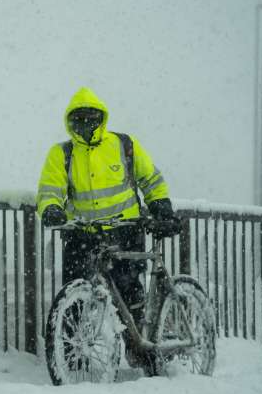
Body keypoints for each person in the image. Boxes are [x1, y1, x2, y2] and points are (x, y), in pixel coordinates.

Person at [35, 87, 181, 366]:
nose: (86, 125)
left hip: (126, 231)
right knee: (76, 295)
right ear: (71, 122)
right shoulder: (62, 153)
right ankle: (72, 358)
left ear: (101, 119)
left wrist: (161, 206)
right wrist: (52, 209)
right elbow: (49, 190)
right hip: (82, 234)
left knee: (129, 290)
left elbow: (151, 179)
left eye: (92, 118)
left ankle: (140, 349)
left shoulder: (124, 145)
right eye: (80, 120)